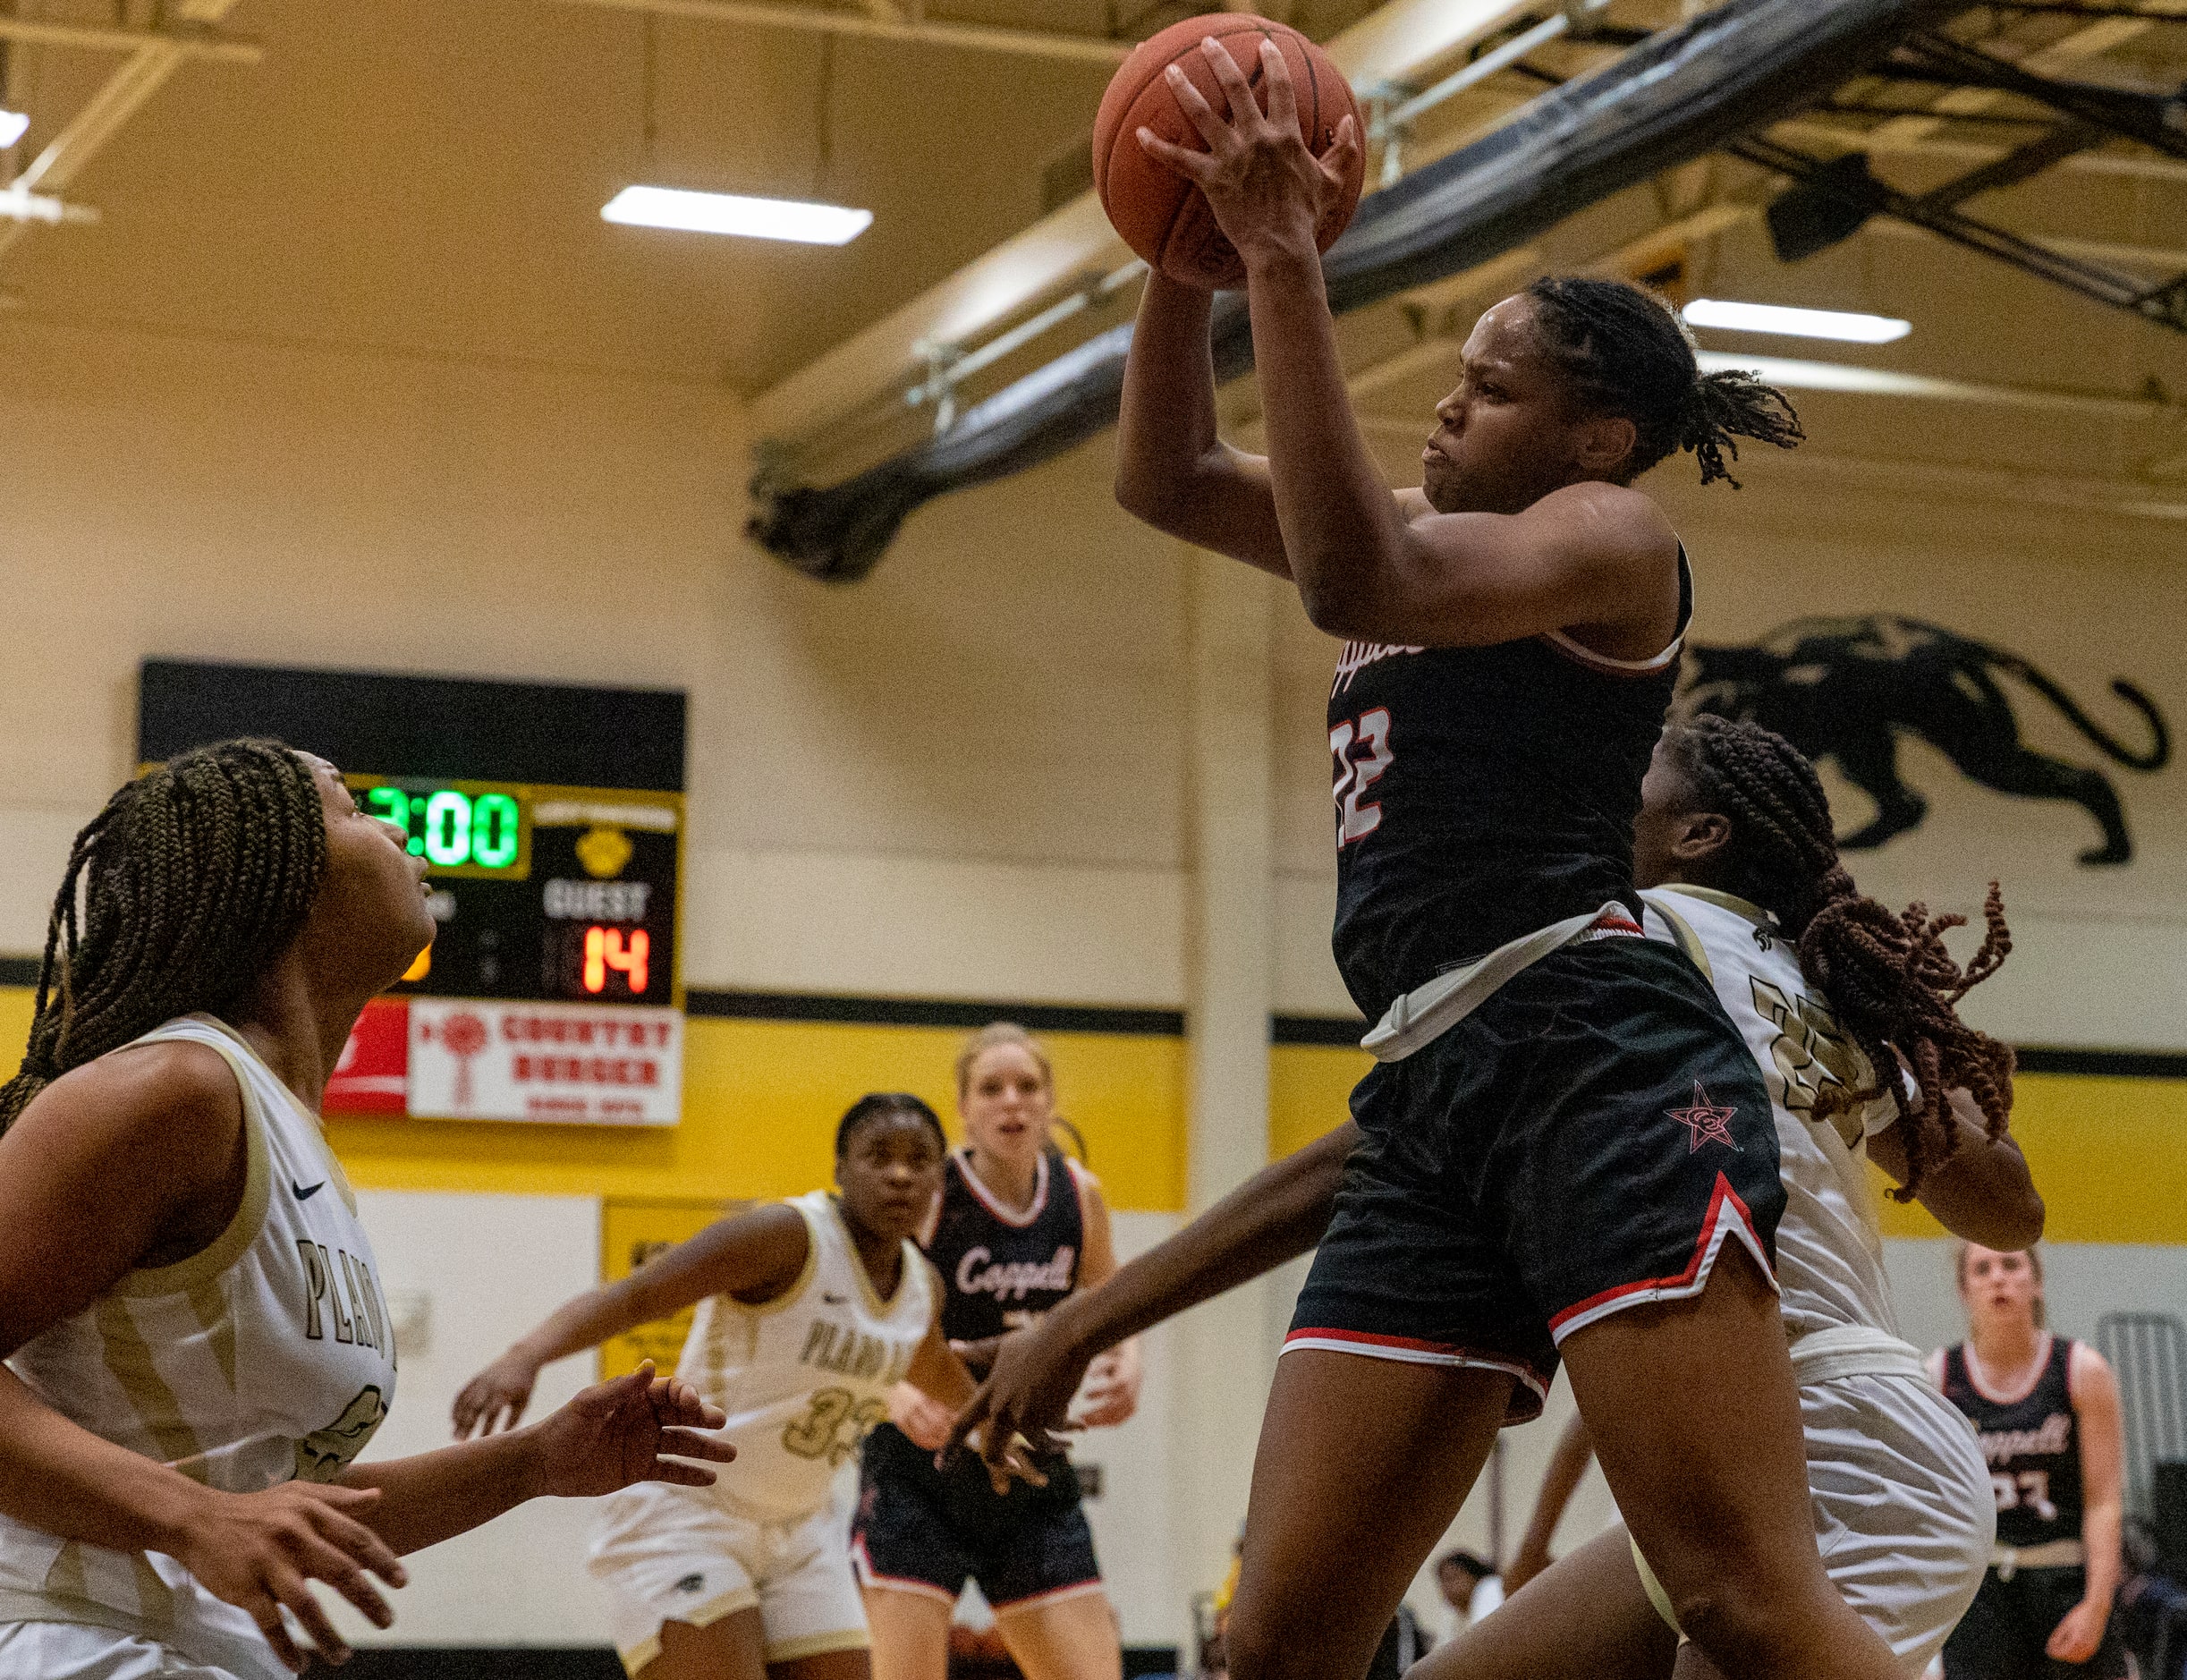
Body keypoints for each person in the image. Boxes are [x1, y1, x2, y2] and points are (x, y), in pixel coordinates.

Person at [1113, 30, 1883, 1680]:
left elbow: (1351, 581)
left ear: (1599, 437)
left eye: (1491, 383)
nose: (1449, 403)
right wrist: (1181, 258)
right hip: (1429, 1083)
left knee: (1740, 1597)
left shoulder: (1615, 539)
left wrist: (1281, 259)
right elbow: (1166, 475)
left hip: (1588, 1052)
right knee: (1278, 1640)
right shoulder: (1423, 529)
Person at [952, 719, 2045, 1679]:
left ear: (1700, 834)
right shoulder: (1812, 980)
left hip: (1840, 1446)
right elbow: (2012, 1210)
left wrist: (1086, 1318)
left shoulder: (1621, 938)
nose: (1609, 770)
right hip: (1762, 1456)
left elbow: (1358, 1155)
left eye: (1646, 764)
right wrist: (1900, 1052)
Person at [0, 740, 730, 1680]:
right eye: (352, 807)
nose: (392, 827)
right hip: (61, 1634)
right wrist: (195, 1519)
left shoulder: (285, 1133)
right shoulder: (173, 1088)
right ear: (283, 880)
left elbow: (270, 1502)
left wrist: (536, 1463)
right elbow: (211, 1511)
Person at [452, 1092, 980, 1680]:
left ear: (941, 1174)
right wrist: (524, 1355)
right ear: (840, 1168)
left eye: (920, 1159)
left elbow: (930, 1365)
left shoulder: (921, 1286)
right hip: (687, 1513)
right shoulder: (786, 1236)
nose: (900, 1175)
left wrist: (996, 1427)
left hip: (802, 1529)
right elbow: (637, 1295)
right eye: (878, 1156)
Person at [853, 1023, 1139, 1680]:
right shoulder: (929, 1199)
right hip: (920, 1472)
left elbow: (1113, 1293)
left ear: (1048, 1100)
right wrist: (895, 1394)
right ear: (963, 1108)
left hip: (1030, 1469)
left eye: (1026, 1086)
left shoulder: (1078, 1194)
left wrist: (1129, 1355)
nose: (1011, 1101)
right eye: (991, 1088)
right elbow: (860, 1317)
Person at [1933, 1245, 2129, 1680]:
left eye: (2011, 1265)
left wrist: (2097, 1608)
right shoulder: (1939, 1377)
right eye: (1982, 1269)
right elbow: (1933, 1513)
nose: (1998, 1278)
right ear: (1965, 1291)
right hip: (1979, 1595)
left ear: (2036, 1282)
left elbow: (2104, 1502)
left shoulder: (2082, 1370)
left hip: (2064, 1583)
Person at [1435, 1552, 1501, 1633]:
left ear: (1473, 1575)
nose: (1446, 1587)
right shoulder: (1454, 1613)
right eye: (1442, 1582)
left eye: (1452, 1578)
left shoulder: (1490, 1587)